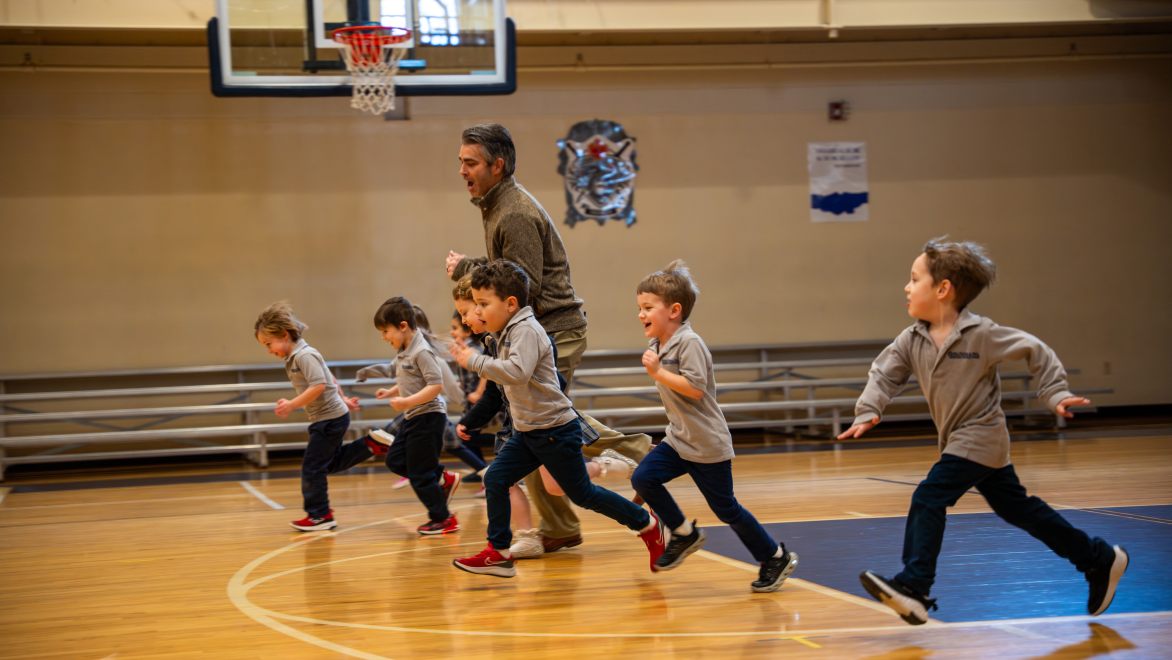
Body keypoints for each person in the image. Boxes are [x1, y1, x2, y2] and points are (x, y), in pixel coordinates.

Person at [838, 238, 1129, 625]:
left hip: (980, 436)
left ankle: (915, 586)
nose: (906, 287)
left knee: (929, 496)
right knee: (1019, 510)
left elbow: (1036, 350)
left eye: (914, 279)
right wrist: (868, 410)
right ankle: (1097, 558)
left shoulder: (982, 335)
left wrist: (1055, 393)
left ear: (943, 289)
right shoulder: (911, 339)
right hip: (965, 444)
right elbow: (884, 374)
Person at [446, 122, 650, 554]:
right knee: (535, 423)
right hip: (538, 328)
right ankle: (561, 527)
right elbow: (509, 274)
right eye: (460, 162)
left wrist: (467, 269)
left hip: (554, 329)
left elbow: (523, 285)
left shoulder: (514, 212)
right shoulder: (497, 205)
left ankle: (633, 454)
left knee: (544, 421)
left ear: (497, 165)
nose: (462, 170)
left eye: (470, 162)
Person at [450, 260, 666, 578]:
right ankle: (498, 553)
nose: (478, 311)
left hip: (554, 431)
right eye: (476, 305)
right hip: (529, 432)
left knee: (583, 494)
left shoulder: (526, 330)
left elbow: (517, 372)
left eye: (483, 304)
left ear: (510, 304)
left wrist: (475, 361)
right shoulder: (504, 332)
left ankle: (646, 523)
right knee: (495, 478)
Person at [630, 260, 799, 592]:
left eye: (648, 308)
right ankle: (684, 534)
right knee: (644, 478)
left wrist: (658, 373)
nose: (640, 314)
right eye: (639, 308)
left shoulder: (690, 343)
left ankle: (775, 557)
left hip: (707, 444)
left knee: (726, 509)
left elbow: (695, 389)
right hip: (679, 440)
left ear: (674, 311)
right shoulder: (657, 345)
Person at [254, 302, 390, 532]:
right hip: (330, 418)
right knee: (329, 464)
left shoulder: (304, 355)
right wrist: (344, 398)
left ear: (284, 335)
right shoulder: (297, 356)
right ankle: (371, 444)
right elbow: (330, 378)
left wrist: (292, 405)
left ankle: (319, 515)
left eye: (269, 344)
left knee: (312, 468)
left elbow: (319, 385)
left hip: (329, 420)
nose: (269, 350)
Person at [372, 297, 462, 536]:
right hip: (414, 416)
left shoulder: (422, 351)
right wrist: (392, 391)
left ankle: (443, 519)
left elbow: (435, 385)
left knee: (420, 474)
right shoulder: (405, 350)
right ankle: (441, 478)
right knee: (395, 460)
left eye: (385, 331)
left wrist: (406, 402)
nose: (383, 337)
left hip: (428, 418)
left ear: (403, 326)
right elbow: (410, 379)